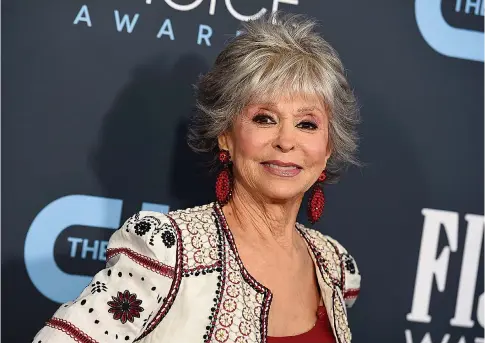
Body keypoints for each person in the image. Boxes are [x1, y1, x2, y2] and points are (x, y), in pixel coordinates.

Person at [33, 11, 361, 343]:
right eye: (264, 118)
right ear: (225, 135)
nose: (286, 141)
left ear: (328, 147)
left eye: (307, 124)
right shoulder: (166, 252)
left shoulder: (334, 266)